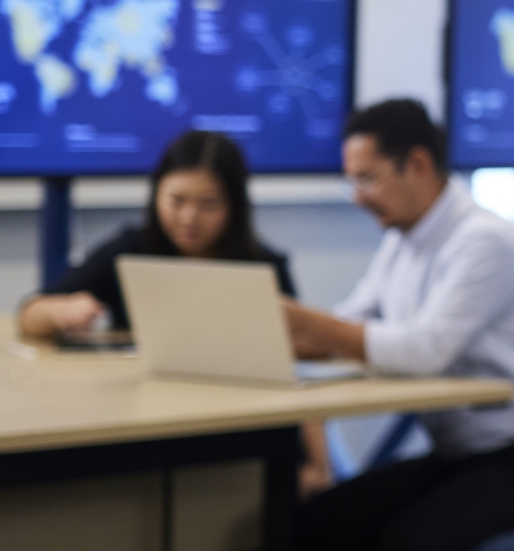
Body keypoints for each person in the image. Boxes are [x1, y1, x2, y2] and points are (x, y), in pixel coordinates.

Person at [285, 99, 514, 551]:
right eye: (353, 181)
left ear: (419, 166)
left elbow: (427, 349)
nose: (358, 197)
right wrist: (286, 334)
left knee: (415, 544)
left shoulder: (485, 240)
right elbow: (351, 323)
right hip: (462, 456)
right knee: (313, 524)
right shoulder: (404, 240)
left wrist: (302, 319)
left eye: (368, 179)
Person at [17, 130, 335, 495]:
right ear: (156, 195)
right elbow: (30, 314)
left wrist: (318, 463)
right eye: (176, 200)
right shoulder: (133, 249)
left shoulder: (263, 267)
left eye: (208, 204)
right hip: (145, 429)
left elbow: (297, 368)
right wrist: (63, 309)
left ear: (235, 206)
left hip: (244, 439)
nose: (188, 217)